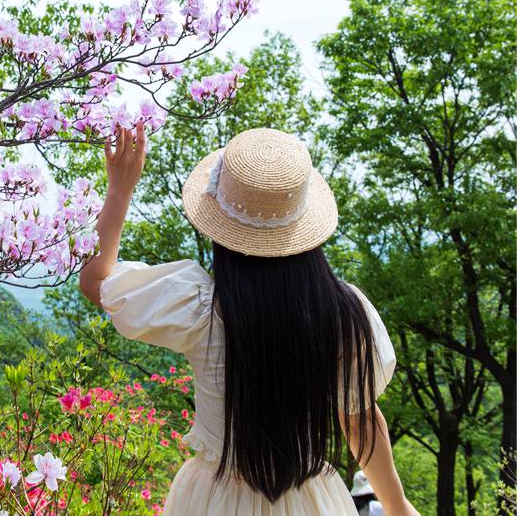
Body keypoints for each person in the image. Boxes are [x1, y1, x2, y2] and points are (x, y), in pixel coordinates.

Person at [79, 126, 421, 515]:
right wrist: (398, 507)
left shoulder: (199, 307)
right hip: (311, 500)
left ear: (220, 228)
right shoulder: (344, 314)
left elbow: (95, 281)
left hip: (214, 498)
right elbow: (359, 422)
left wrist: (120, 191)